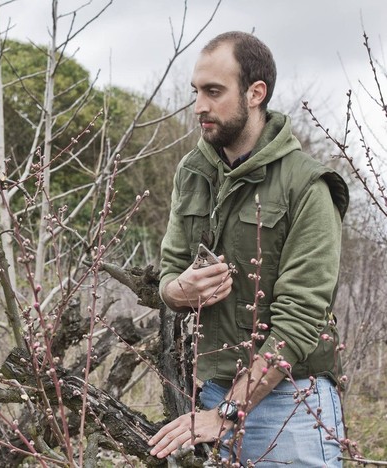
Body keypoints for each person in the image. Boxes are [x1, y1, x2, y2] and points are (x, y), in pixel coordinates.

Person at [148, 31, 349, 466]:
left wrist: (228, 412)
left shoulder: (308, 185)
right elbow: (168, 272)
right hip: (211, 393)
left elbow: (300, 320)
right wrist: (177, 291)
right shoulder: (193, 171)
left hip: (292, 404)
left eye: (214, 92)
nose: (199, 105)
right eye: (196, 92)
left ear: (256, 93)